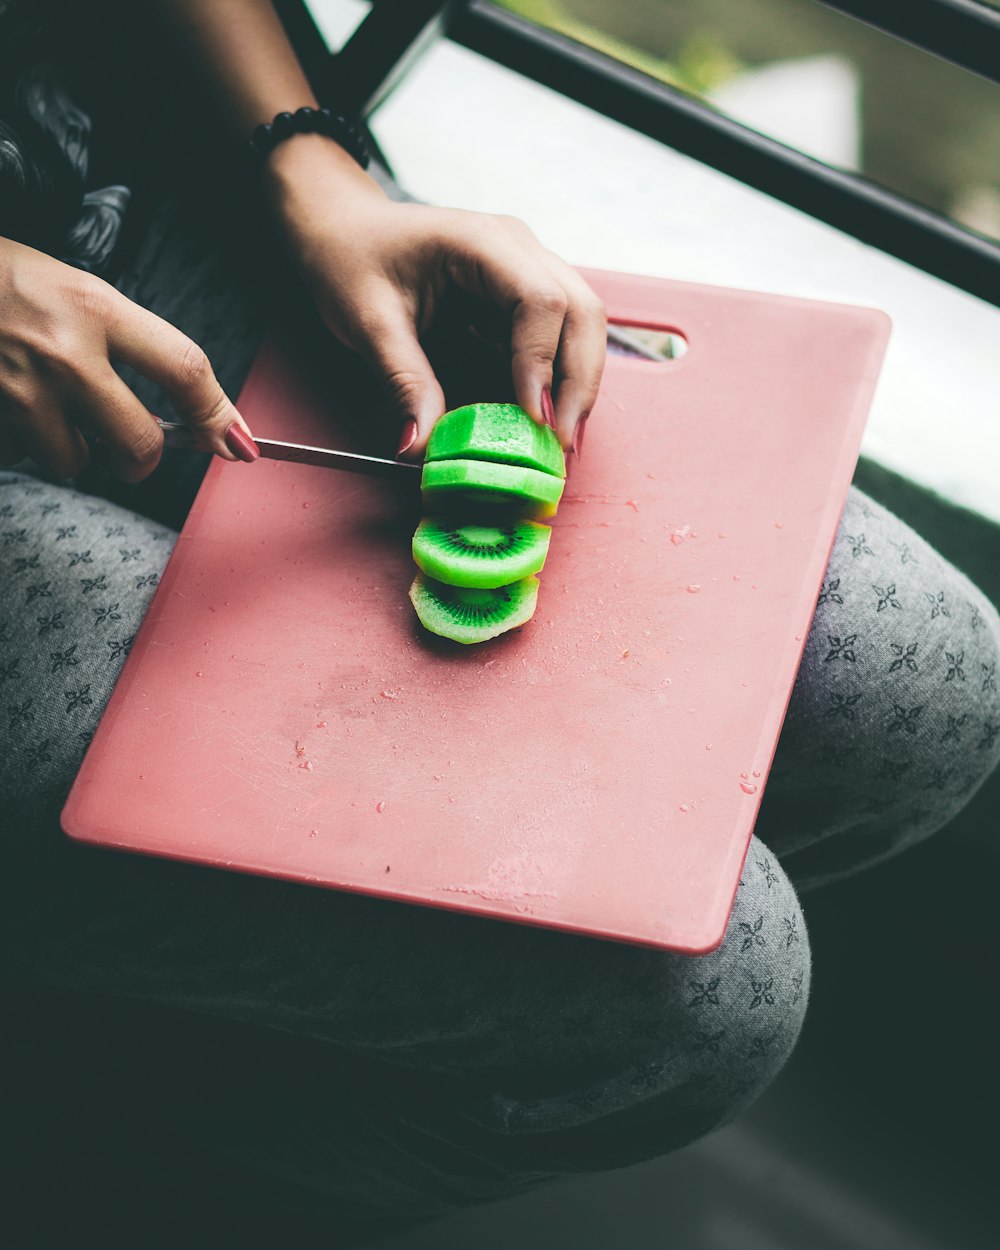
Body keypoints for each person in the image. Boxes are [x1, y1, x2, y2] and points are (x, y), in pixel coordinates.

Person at [2, 1, 998, 1245]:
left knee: (923, 688)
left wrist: (313, 164)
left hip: (155, 185)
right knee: (696, 1001)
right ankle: (141, 1128)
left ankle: (288, 984)